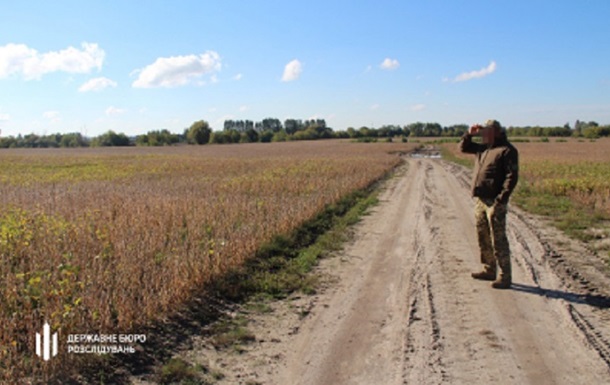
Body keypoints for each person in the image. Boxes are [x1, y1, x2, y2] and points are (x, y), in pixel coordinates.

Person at [459, 119, 519, 289]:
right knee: (483, 236)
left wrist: (501, 200)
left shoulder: (507, 150)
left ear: (497, 131)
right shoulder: (484, 148)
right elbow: (463, 148)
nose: (484, 134)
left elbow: (511, 178)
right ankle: (489, 269)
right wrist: (469, 134)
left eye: (487, 131)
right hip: (481, 200)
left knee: (498, 239)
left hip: (495, 202)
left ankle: (505, 276)